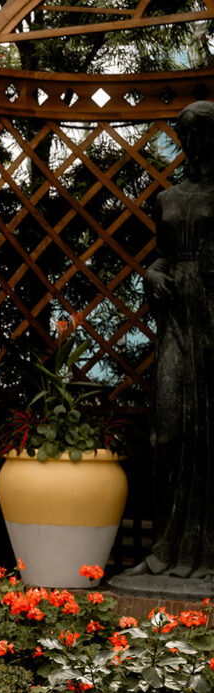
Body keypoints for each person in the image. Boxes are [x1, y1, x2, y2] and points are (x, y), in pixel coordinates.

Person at [138, 100, 214, 579]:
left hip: (210, 315)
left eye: (198, 133)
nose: (190, 143)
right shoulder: (167, 199)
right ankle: (168, 544)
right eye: (183, 134)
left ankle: (204, 552)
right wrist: (153, 273)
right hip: (176, 322)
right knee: (167, 430)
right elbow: (163, 256)